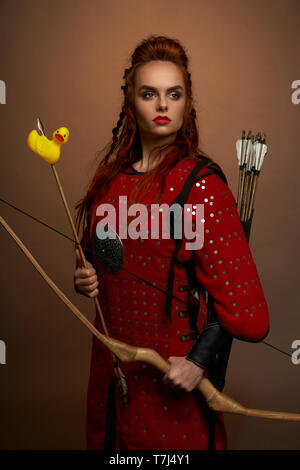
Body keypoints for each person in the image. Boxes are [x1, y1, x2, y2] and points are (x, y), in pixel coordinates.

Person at [73, 35, 269, 450]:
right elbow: (103, 255)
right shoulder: (109, 180)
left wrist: (198, 361)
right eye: (149, 93)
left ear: (186, 101)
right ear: (131, 101)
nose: (162, 105)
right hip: (110, 379)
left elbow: (247, 310)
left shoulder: (202, 185)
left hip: (171, 380)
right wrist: (86, 274)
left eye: (173, 94)